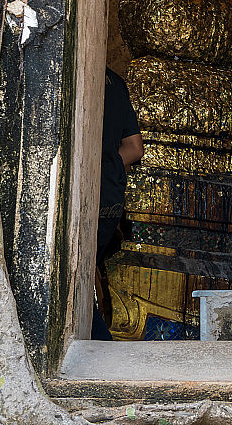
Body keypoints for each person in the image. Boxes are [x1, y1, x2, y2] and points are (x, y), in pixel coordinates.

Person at [92, 67, 143, 340]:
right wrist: (106, 168)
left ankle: (99, 346)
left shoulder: (74, 72)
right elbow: (135, 148)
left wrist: (88, 172)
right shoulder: (116, 82)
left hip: (81, 195)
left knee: (78, 278)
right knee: (90, 268)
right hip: (108, 197)